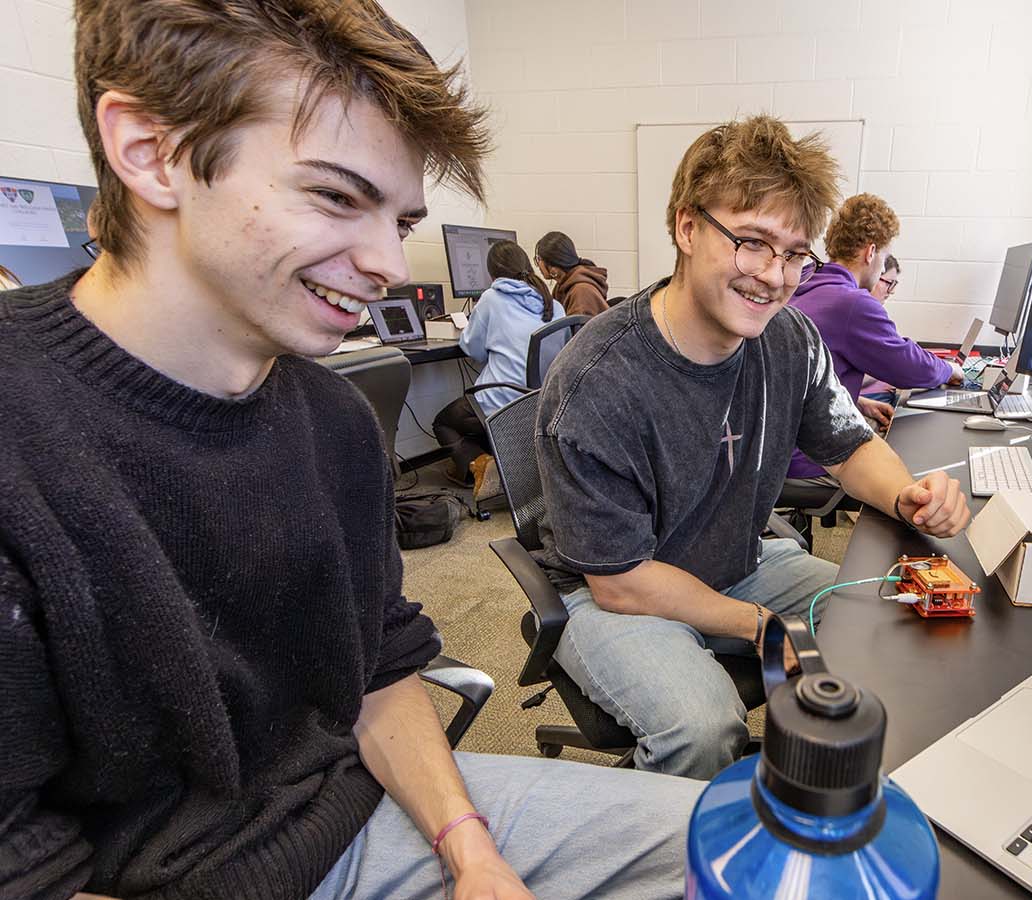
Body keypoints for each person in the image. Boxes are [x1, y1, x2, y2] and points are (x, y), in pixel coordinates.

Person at [0, 3, 701, 899]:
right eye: (336, 196)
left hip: (350, 818)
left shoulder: (332, 420)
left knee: (723, 850)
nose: (383, 263)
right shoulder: (22, 435)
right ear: (149, 148)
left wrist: (473, 856)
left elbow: (379, 666)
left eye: (400, 220)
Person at [531, 116, 973, 779]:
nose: (774, 276)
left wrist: (905, 495)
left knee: (887, 617)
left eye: (796, 253)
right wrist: (758, 623)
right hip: (611, 589)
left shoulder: (788, 339)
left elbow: (849, 447)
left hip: (734, 562)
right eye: (752, 242)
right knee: (703, 729)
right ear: (686, 227)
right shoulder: (600, 382)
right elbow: (620, 581)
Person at [786, 193, 962, 484]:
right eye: (883, 257)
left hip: (778, 445)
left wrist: (857, 402)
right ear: (870, 253)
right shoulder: (851, 303)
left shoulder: (805, 281)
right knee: (916, 469)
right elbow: (909, 367)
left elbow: (802, 382)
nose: (882, 267)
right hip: (807, 457)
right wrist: (950, 369)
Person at [432, 239, 563, 498]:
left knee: (443, 422)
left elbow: (473, 349)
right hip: (544, 400)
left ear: (492, 274)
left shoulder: (492, 299)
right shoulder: (553, 303)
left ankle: (482, 464)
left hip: (504, 399)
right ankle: (502, 467)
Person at [533, 231, 608, 316]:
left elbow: (578, 328)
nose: (538, 264)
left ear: (554, 269)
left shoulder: (581, 292)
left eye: (539, 259)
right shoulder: (562, 285)